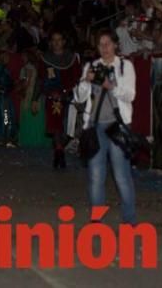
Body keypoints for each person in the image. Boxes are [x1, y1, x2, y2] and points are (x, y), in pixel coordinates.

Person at [73, 30, 137, 225]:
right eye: (101, 44)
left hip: (118, 126)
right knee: (95, 175)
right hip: (95, 126)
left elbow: (130, 95)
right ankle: (97, 221)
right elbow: (79, 97)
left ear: (115, 45)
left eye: (108, 43)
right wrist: (86, 81)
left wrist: (111, 86)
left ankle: (129, 221)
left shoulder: (125, 66)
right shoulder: (91, 66)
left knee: (121, 176)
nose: (104, 48)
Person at [41, 31, 82, 169]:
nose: (57, 42)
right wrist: (39, 97)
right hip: (53, 97)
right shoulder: (45, 58)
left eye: (59, 39)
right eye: (54, 39)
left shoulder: (72, 58)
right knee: (55, 125)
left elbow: (77, 78)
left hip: (69, 97)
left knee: (68, 128)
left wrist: (66, 92)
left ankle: (60, 150)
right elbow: (42, 79)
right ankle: (59, 151)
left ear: (64, 41)